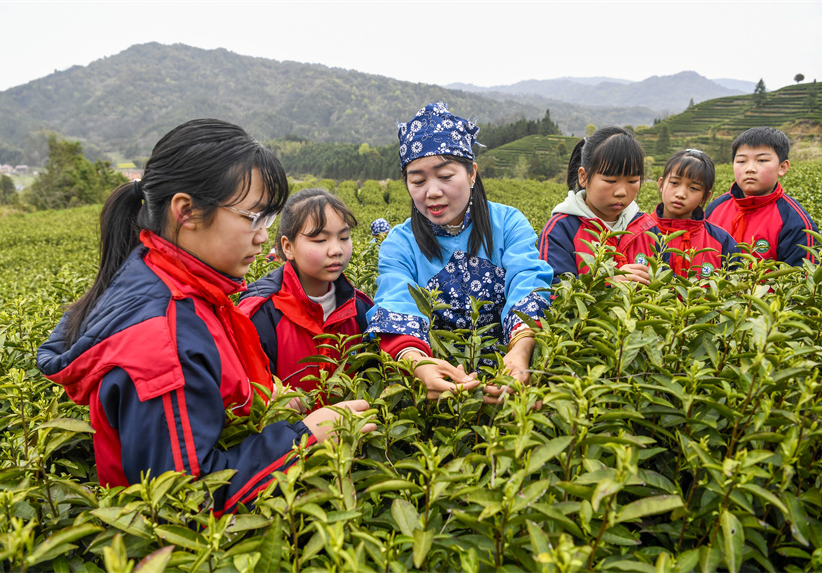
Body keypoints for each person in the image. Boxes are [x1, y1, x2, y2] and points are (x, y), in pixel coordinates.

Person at [37, 119, 373, 514]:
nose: (262, 236)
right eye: (253, 217)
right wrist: (306, 437)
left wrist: (271, 397)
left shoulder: (181, 285)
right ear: (187, 212)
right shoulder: (162, 338)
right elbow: (183, 498)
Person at [365, 102, 553, 402]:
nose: (432, 191)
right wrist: (421, 366)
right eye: (418, 180)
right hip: (437, 396)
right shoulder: (400, 244)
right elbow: (396, 303)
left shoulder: (508, 223)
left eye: (445, 176)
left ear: (471, 174)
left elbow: (527, 283)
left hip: (510, 388)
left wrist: (519, 353)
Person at [239, 188, 373, 411]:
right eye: (320, 240)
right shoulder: (262, 313)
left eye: (344, 237)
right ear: (288, 247)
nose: (336, 250)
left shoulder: (360, 307)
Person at [537, 126, 654, 284]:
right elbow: (549, 290)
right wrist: (604, 282)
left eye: (632, 181)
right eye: (610, 181)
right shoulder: (561, 229)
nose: (621, 192)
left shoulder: (647, 228)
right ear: (583, 177)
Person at [705, 127, 818, 266]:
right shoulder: (716, 207)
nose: (750, 168)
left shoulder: (795, 221)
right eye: (741, 161)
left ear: (782, 167)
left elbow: (801, 281)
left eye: (762, 160)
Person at [621, 149, 740, 278]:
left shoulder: (721, 241)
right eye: (674, 183)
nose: (681, 194)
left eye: (694, 188)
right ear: (661, 184)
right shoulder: (634, 232)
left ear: (705, 196)